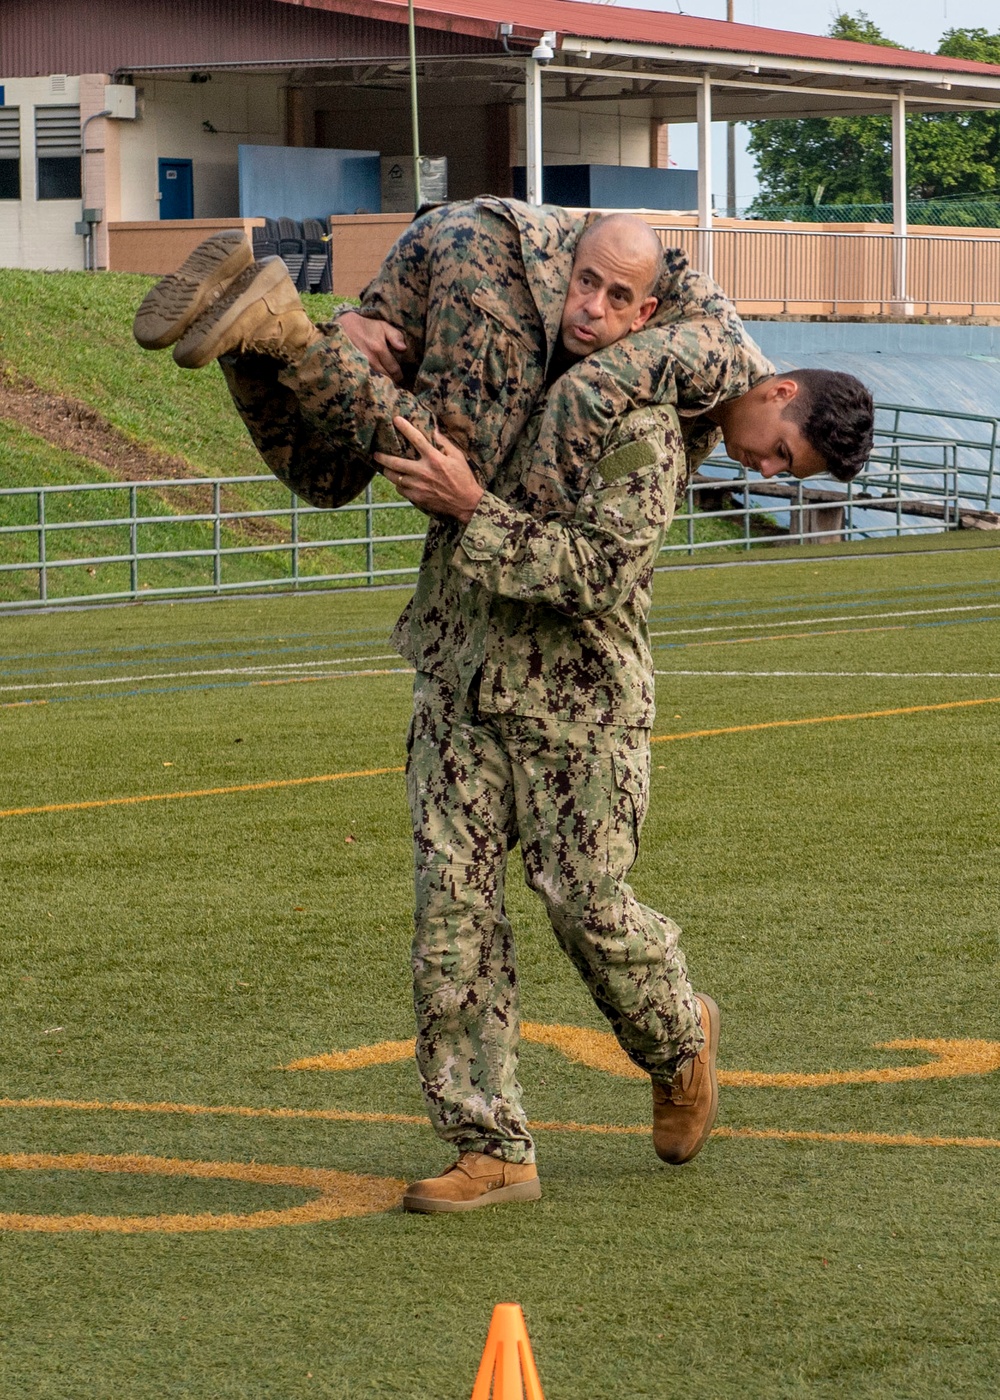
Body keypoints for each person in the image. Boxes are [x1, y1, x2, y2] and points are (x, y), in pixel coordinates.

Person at [134, 204, 874, 1212]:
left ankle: (678, 1035)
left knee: (586, 904)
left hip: (579, 704)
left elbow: (595, 575)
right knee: (452, 914)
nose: (766, 473)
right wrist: (381, 338)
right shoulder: (541, 354)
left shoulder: (648, 427)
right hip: (459, 667)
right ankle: (489, 1146)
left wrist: (469, 505)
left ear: (646, 312)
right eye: (784, 455)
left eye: (621, 301)